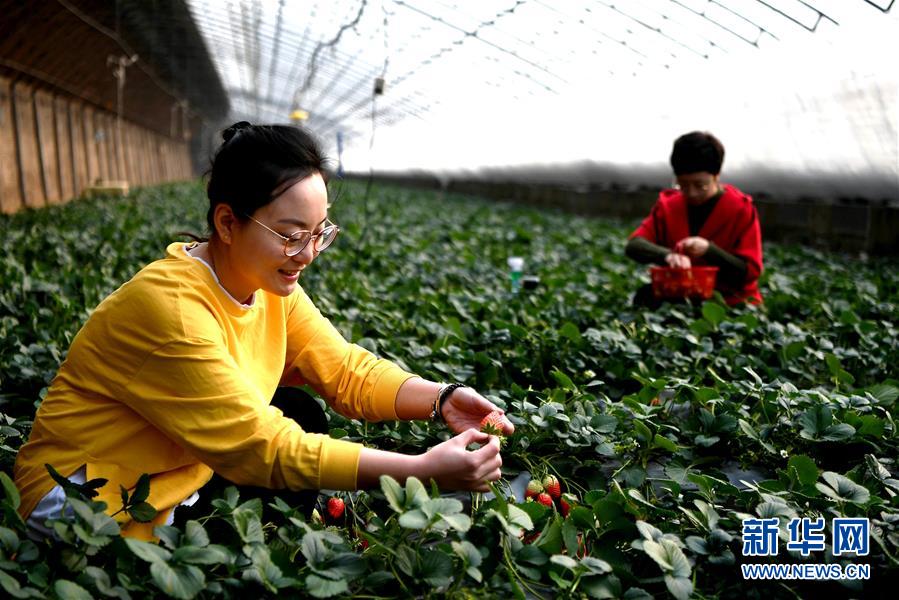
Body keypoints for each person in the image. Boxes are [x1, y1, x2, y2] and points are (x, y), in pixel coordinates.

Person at [13, 122, 513, 541]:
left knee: (300, 411)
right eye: (293, 236)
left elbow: (344, 370)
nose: (309, 253)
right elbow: (263, 446)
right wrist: (420, 471)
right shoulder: (173, 313)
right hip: (88, 499)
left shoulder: (270, 290)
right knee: (283, 451)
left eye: (319, 233)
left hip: (176, 470)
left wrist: (441, 398)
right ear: (228, 223)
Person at [626, 131, 763, 305]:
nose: (691, 193)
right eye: (682, 185)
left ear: (716, 176)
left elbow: (749, 272)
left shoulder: (740, 209)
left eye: (700, 185)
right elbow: (634, 245)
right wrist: (668, 256)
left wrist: (709, 250)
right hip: (680, 295)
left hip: (729, 302)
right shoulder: (669, 206)